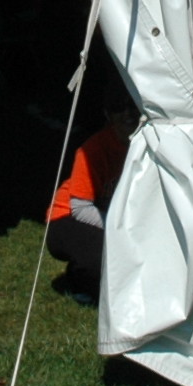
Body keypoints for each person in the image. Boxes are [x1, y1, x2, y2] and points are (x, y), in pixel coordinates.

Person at [44, 93, 139, 303]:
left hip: (109, 214)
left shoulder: (144, 145)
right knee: (106, 256)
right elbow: (80, 208)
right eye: (118, 108)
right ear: (108, 115)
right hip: (66, 217)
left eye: (133, 106)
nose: (128, 114)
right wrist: (118, 228)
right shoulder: (93, 149)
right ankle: (79, 278)